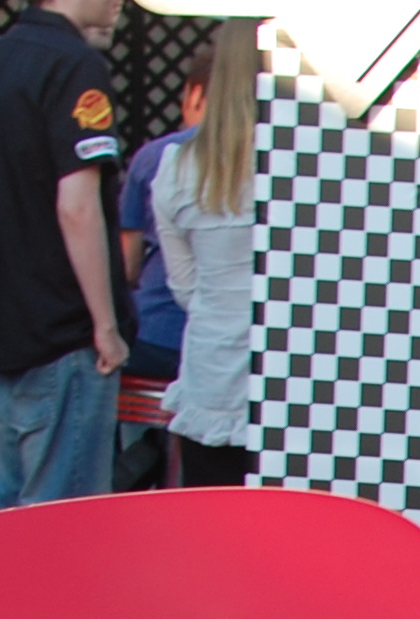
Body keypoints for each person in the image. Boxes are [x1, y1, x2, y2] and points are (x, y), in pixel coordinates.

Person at [0, 0, 130, 509]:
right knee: (65, 523)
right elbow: (77, 207)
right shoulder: (74, 65)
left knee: (12, 514)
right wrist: (105, 324)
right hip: (63, 329)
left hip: (0, 323)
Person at [150, 19, 252, 487]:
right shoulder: (310, 165)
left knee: (213, 518)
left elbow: (185, 287)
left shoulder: (176, 167)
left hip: (211, 372)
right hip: (298, 375)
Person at [116, 40, 205, 380]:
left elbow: (127, 265)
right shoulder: (272, 156)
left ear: (194, 94)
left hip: (155, 332)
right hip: (234, 340)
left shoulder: (156, 156)